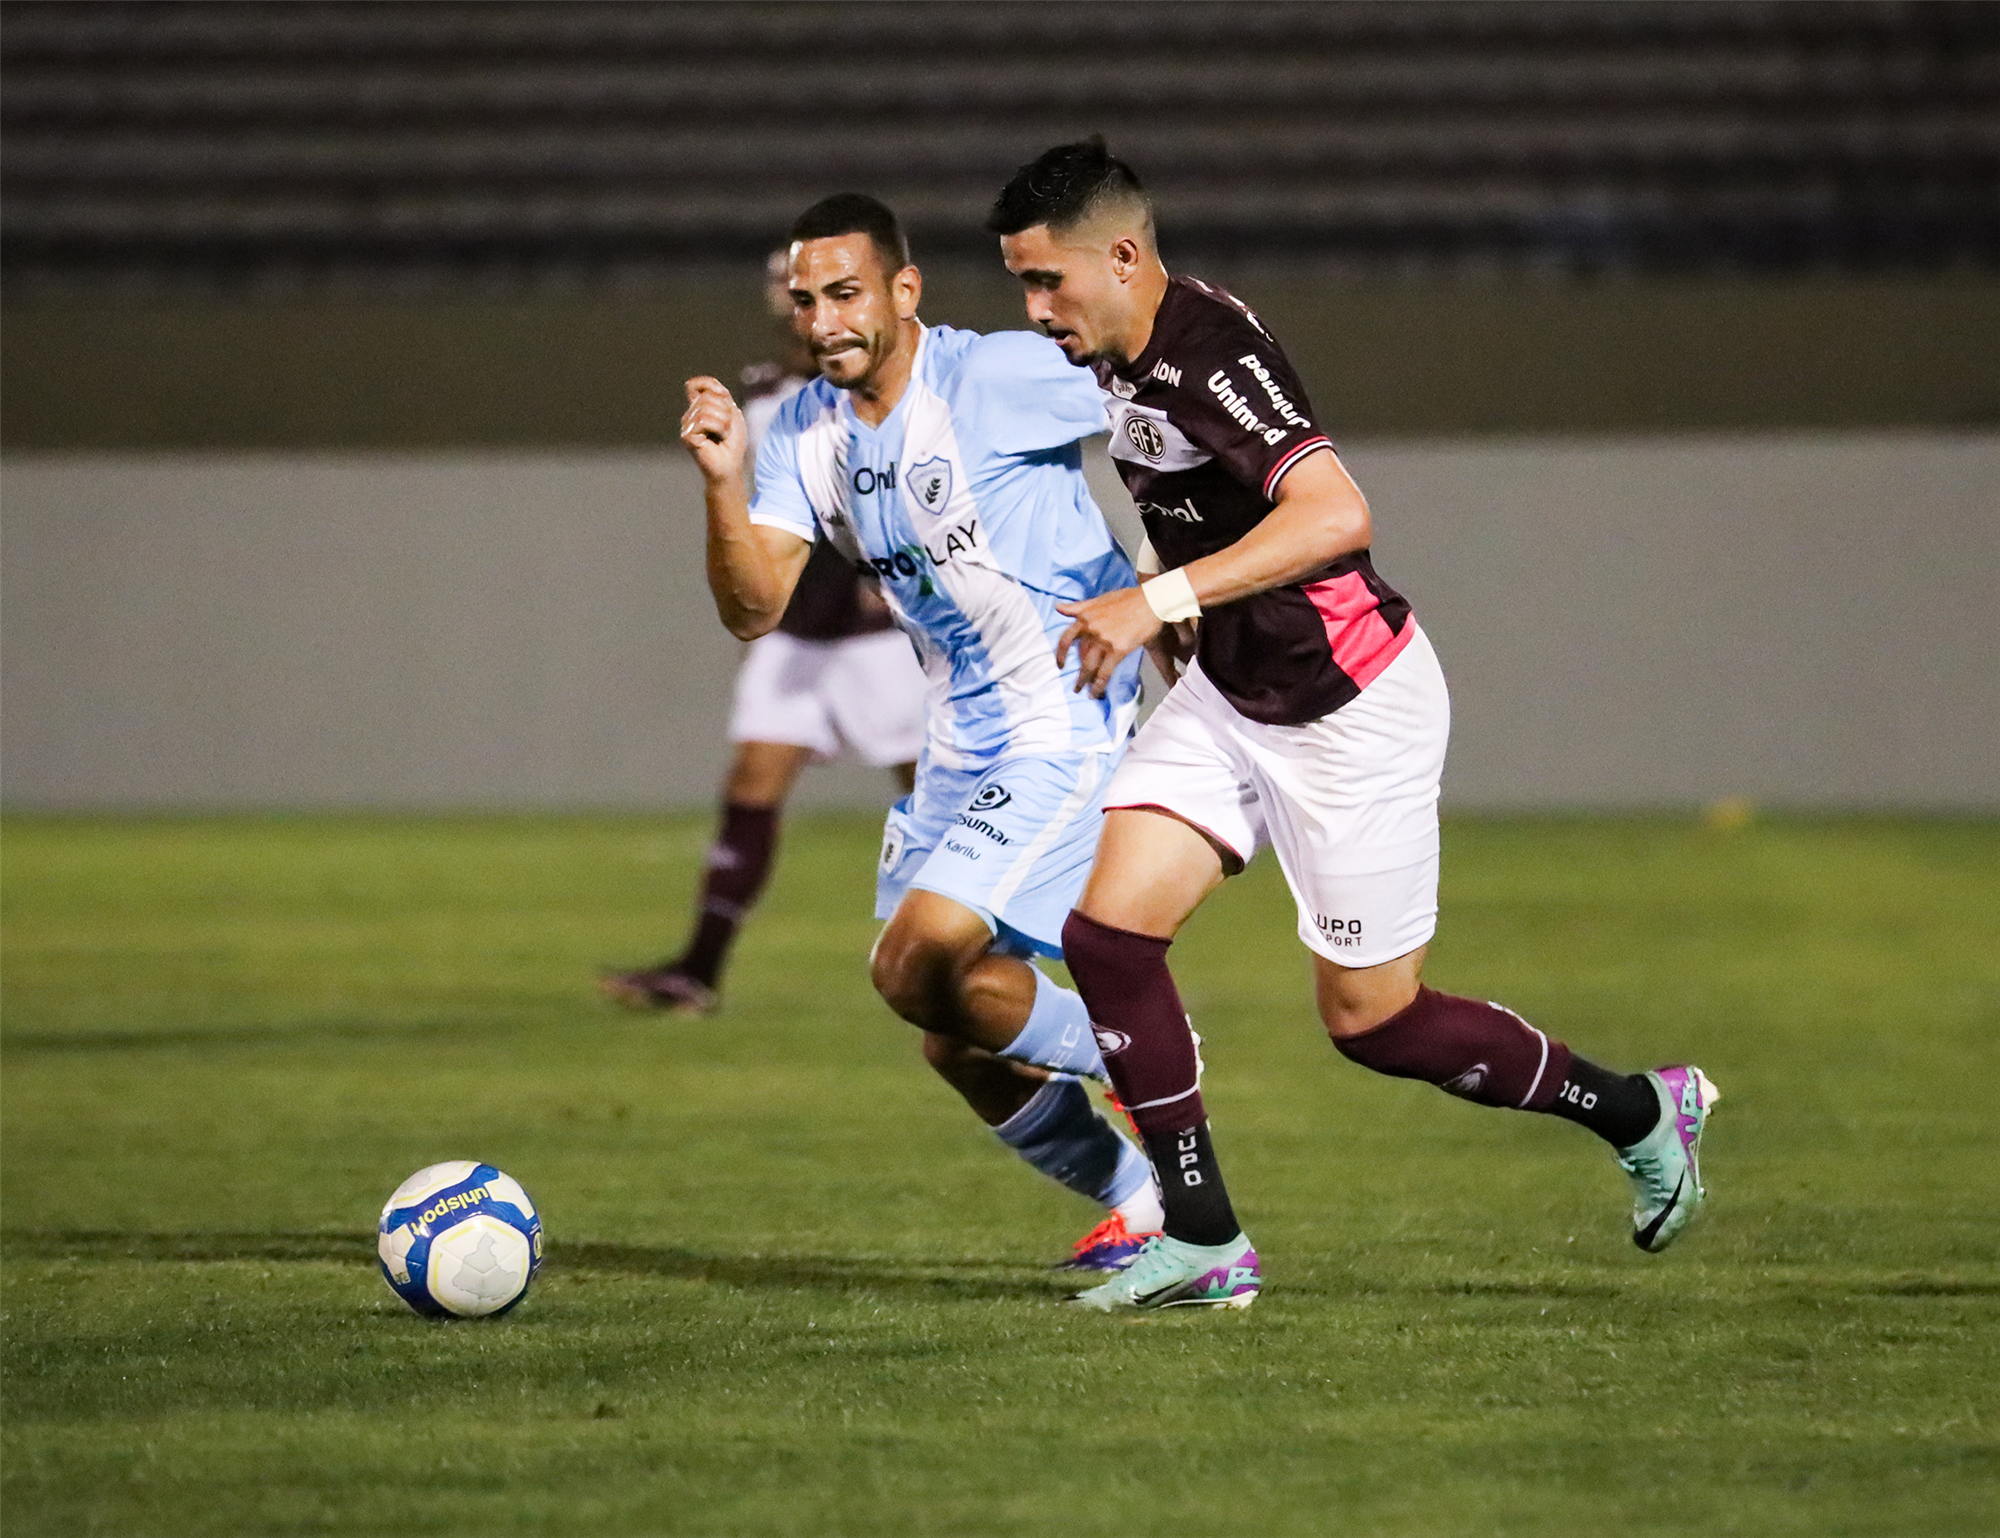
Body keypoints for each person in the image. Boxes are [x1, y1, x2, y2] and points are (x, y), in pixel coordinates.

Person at [986, 139, 1720, 1311]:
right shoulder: (1117, 354)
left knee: (1369, 1020)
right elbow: (1183, 502)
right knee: (1109, 941)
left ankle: (1638, 1108)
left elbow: (1334, 511)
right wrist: (1166, 599)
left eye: (1046, 282)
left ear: (1122, 255)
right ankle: (1202, 1235)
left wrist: (1154, 600)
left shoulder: (1207, 353)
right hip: (1230, 692)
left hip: (1348, 707)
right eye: (1019, 284)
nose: (1033, 310)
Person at [677, 192, 1164, 1271]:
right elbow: (753, 607)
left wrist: (1162, 589)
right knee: (949, 1025)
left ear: (903, 290)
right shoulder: (801, 428)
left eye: (845, 293)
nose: (823, 320)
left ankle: (1156, 1064)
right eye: (807, 300)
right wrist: (720, 486)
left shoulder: (990, 377)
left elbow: (1156, 384)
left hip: (1060, 722)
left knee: (910, 961)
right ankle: (1139, 1200)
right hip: (958, 744)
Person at [602, 254, 926, 1017]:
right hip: (797, 632)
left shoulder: (872, 388)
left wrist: (895, 573)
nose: (804, 310)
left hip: (877, 636)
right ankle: (699, 971)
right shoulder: (768, 389)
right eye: (794, 293)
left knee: (939, 796)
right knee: (752, 786)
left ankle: (990, 954)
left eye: (819, 294)